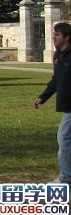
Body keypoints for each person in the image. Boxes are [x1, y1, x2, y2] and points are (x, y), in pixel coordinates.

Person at [34, 22, 71, 183]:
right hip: (67, 106)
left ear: (67, 37)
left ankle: (65, 177)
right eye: (53, 34)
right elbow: (56, 80)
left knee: (63, 137)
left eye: (57, 35)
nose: (53, 37)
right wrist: (43, 97)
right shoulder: (57, 56)